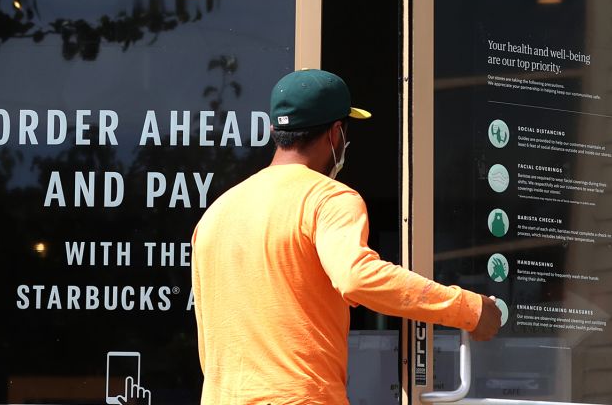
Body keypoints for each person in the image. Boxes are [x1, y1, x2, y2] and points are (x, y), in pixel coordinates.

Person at [191, 69, 501, 405]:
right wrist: (467, 309)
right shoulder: (328, 198)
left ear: (274, 131)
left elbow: (208, 338)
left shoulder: (216, 214)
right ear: (336, 134)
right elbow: (357, 277)